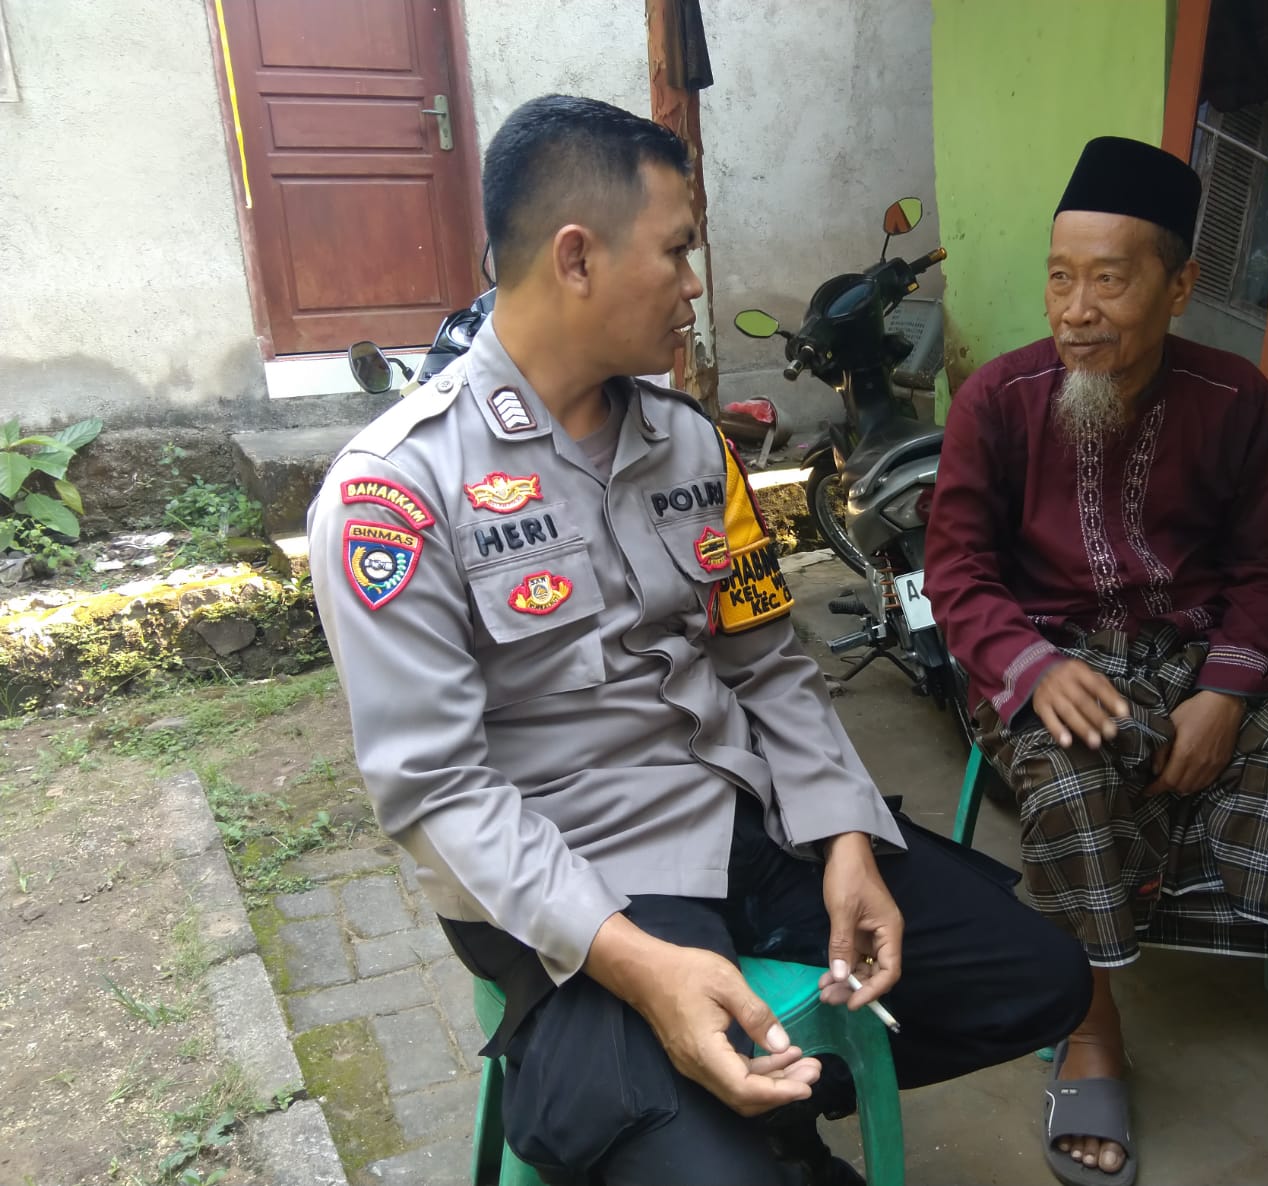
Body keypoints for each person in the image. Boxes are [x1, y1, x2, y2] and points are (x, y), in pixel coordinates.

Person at [308, 94, 1091, 1186]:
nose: (693, 285)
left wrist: (844, 834)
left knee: (1039, 977)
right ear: (576, 258)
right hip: (571, 876)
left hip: (740, 824)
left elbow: (764, 663)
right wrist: (640, 965)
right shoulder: (397, 490)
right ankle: (750, 1136)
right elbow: (437, 791)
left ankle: (768, 1114)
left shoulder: (689, 445)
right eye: (676, 251)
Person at [923, 136, 1268, 1186]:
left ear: (1177, 287)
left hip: (1202, 650)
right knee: (1071, 778)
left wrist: (1226, 692)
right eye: (1059, 276)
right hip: (1055, 657)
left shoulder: (1233, 398)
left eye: (1108, 280)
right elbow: (954, 573)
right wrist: (1031, 668)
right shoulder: (996, 399)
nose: (1076, 310)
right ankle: (1091, 1038)